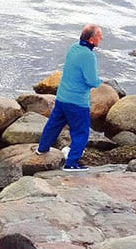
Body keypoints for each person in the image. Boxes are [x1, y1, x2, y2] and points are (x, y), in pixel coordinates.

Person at [36, 24, 104, 171]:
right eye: (100, 35)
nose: (102, 38)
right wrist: (100, 82)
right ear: (92, 40)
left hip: (62, 97)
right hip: (77, 101)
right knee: (81, 133)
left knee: (53, 124)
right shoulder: (88, 55)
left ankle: (42, 148)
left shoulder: (74, 47)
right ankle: (71, 163)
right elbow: (91, 80)